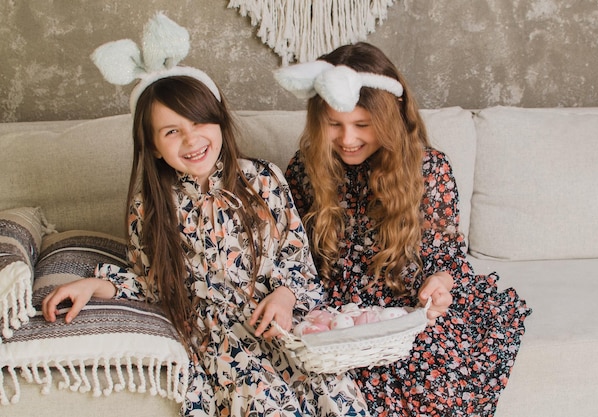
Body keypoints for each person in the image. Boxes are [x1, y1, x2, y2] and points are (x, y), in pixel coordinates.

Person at [42, 14, 370, 417]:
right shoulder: (151, 204)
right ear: (154, 147)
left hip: (285, 319)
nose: (191, 139)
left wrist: (285, 296)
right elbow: (150, 281)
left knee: (337, 397)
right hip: (220, 335)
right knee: (263, 400)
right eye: (171, 131)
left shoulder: (264, 179)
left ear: (219, 121)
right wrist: (93, 286)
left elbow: (298, 264)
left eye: (199, 122)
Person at [275, 42, 532, 417]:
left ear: (389, 119)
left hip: (406, 303)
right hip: (338, 307)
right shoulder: (305, 168)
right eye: (334, 125)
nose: (348, 140)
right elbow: (292, 250)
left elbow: (446, 255)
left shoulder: (428, 169)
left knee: (431, 381)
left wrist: (440, 284)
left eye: (362, 126)